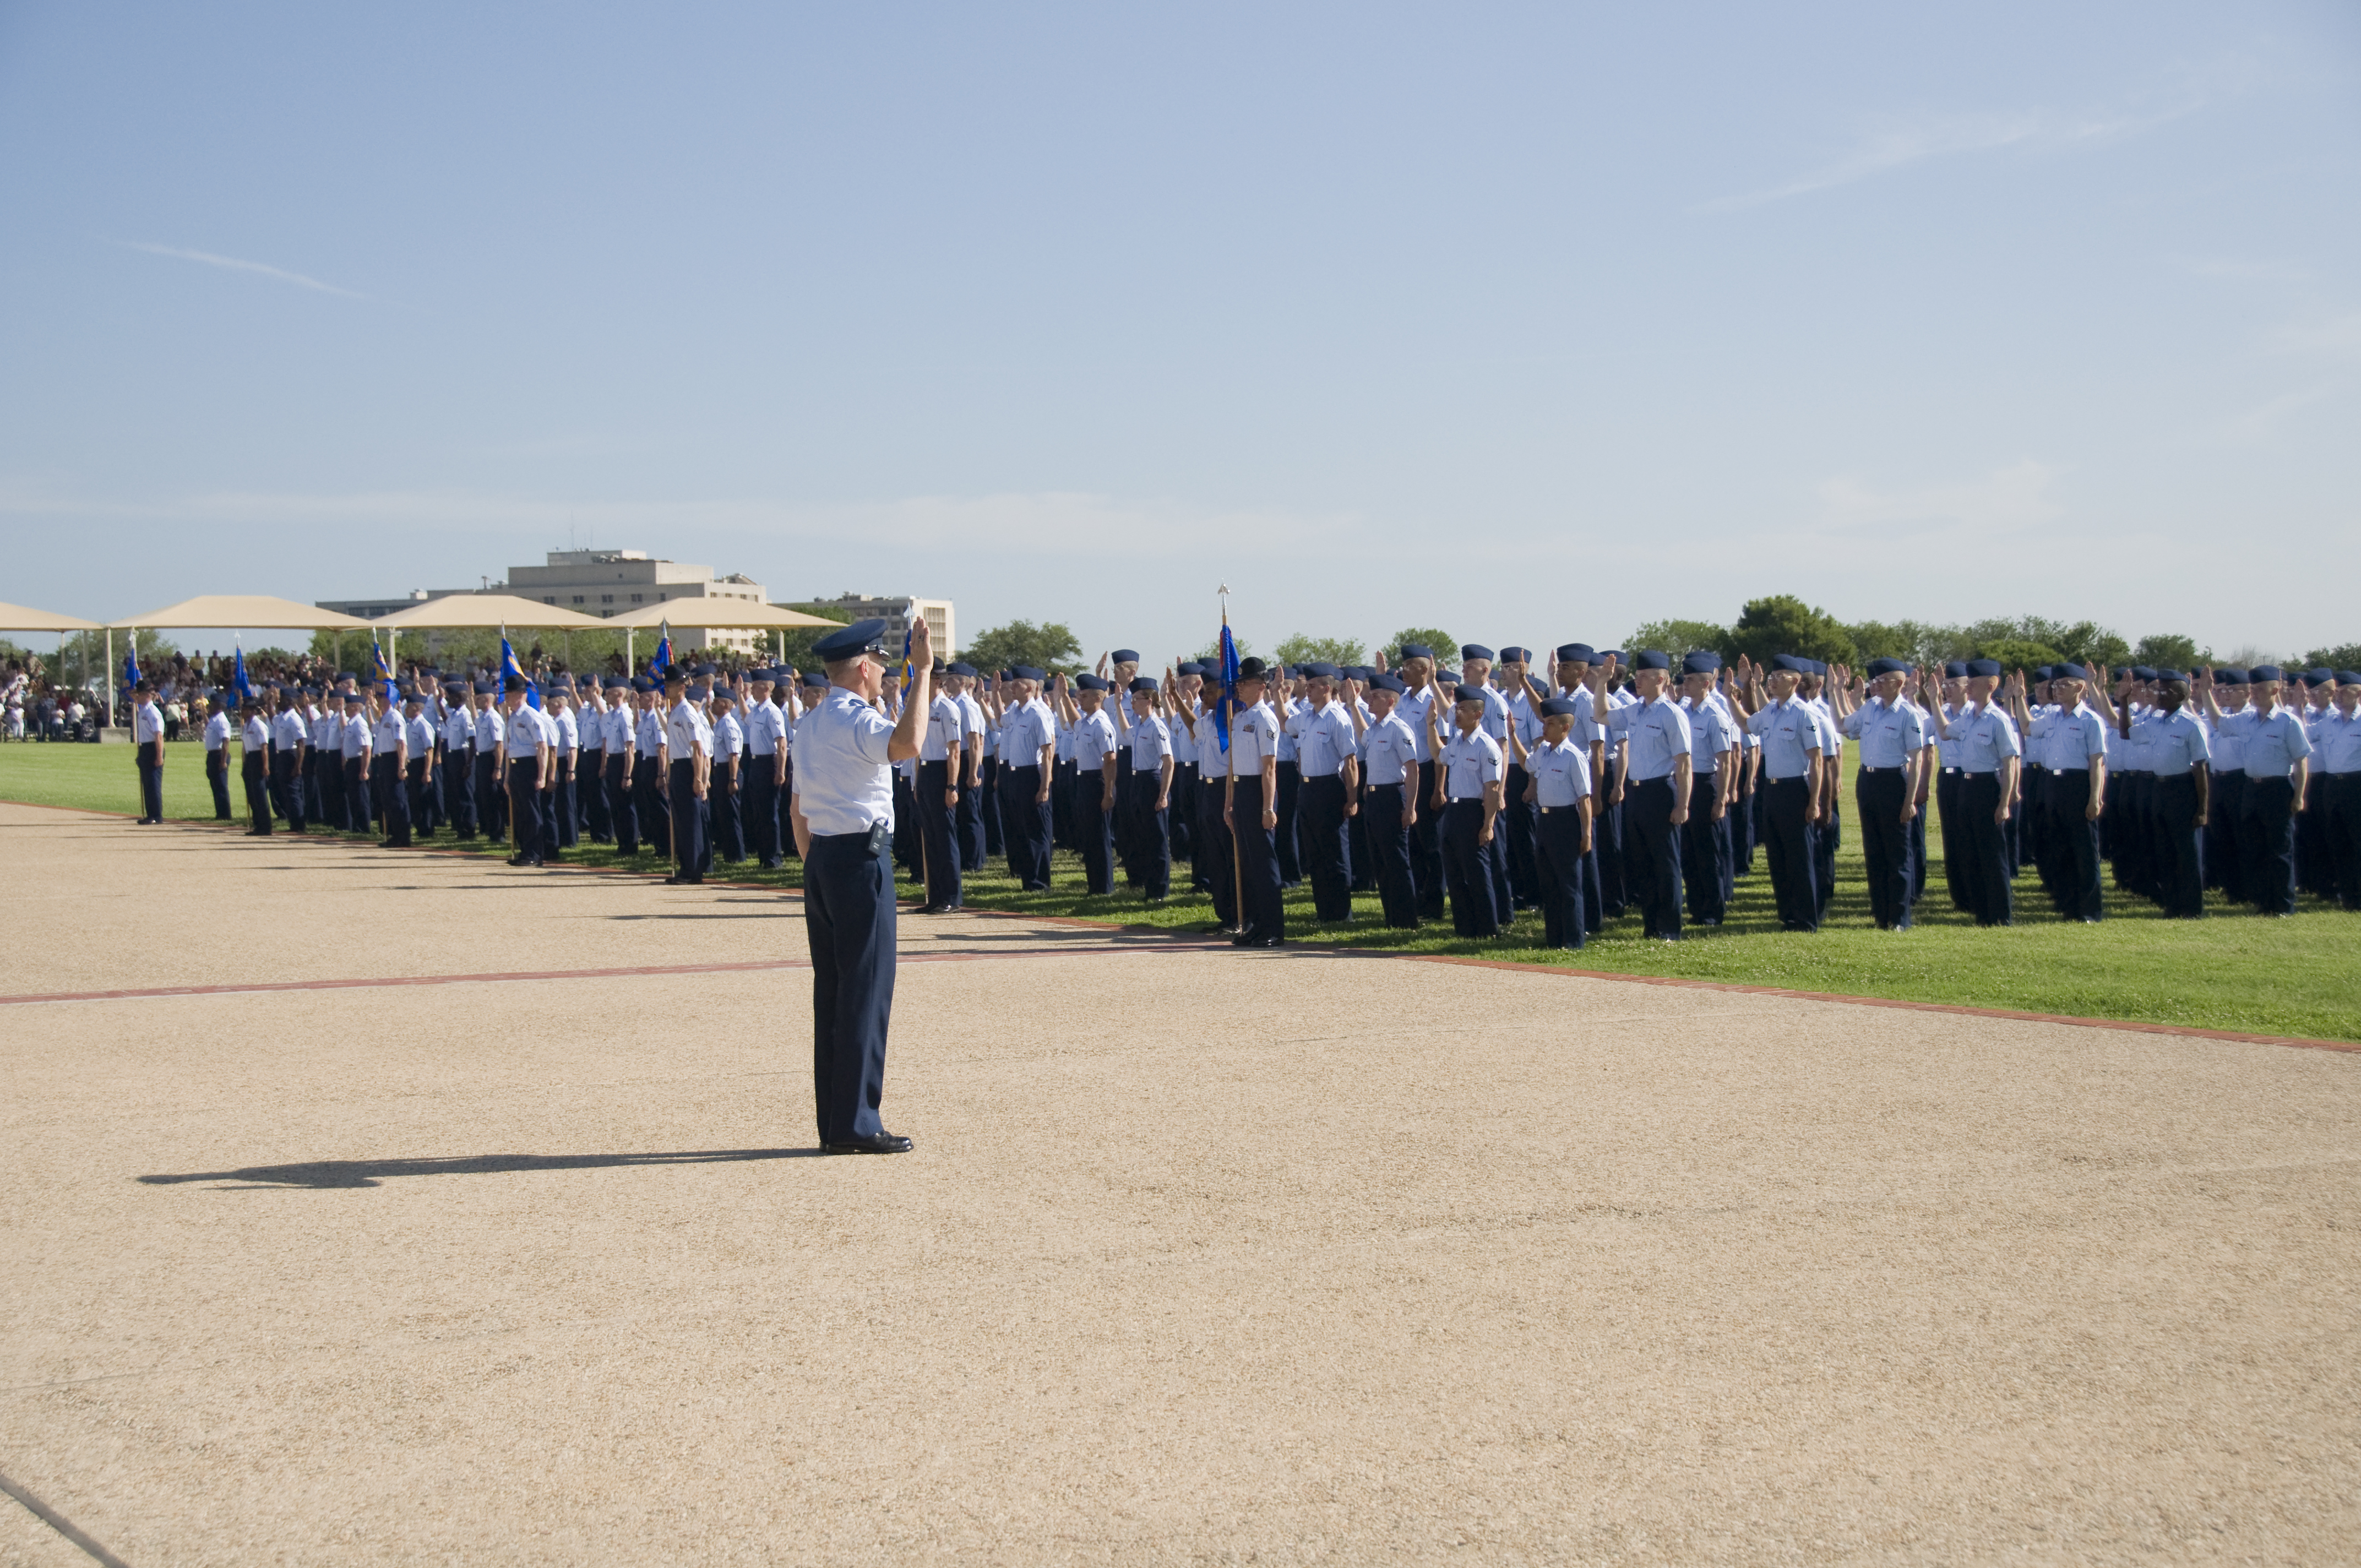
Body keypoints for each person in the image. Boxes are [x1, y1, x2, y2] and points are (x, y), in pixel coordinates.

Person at [792, 614, 935, 1155]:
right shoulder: (855, 718)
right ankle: (856, 1121)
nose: (882, 674)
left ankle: (836, 1119)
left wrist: (817, 867)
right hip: (858, 859)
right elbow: (907, 742)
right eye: (879, 664)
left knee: (832, 992)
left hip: (825, 858)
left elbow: (797, 809)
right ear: (864, 667)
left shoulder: (809, 724)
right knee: (865, 991)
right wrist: (922, 672)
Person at [1592, 652, 1691, 942]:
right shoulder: (1634, 711)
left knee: (1666, 864)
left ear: (1661, 680)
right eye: (1638, 675)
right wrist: (1601, 681)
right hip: (1635, 793)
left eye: (1645, 676)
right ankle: (1651, 925)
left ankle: (1670, 927)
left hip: (1660, 791)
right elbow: (1600, 714)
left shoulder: (1672, 714)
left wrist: (1683, 804)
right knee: (1643, 864)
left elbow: (1683, 763)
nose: (1639, 680)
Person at [2203, 665, 2310, 916]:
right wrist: (2207, 692)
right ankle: (2264, 901)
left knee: (2279, 850)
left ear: (2275, 690)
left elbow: (2301, 760)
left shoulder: (2287, 722)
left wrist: (2299, 796)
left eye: (2260, 689)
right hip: (2252, 788)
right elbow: (2218, 722)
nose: (2255, 693)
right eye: (2252, 689)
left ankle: (2283, 904)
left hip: (2278, 788)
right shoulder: (2245, 720)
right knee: (2255, 848)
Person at [1841, 658, 1931, 930]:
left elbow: (1916, 760)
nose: (1876, 685)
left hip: (1895, 782)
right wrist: (1836, 692)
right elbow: (1843, 725)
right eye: (1874, 681)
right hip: (1867, 780)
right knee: (1874, 851)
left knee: (1897, 853)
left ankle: (1899, 918)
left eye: (1882, 681)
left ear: (1899, 684)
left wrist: (1910, 801)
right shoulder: (1870, 708)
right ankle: (1881, 914)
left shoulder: (1908, 714)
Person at [2016, 663, 2109, 922]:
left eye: (2063, 685)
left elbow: (2097, 763)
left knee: (2084, 851)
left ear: (2080, 688)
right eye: (2054, 686)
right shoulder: (2052, 718)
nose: (2056, 690)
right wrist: (2018, 697)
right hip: (2052, 785)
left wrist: (2094, 798)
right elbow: (2026, 727)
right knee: (2060, 848)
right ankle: (2068, 905)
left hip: (2078, 785)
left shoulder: (2091, 721)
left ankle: (2090, 910)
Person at [1944, 659, 2022, 927]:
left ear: (1991, 686)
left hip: (1988, 787)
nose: (1968, 689)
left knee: (1992, 855)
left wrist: (2005, 803)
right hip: (1966, 786)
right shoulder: (1966, 717)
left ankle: (2000, 915)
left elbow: (2010, 762)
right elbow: (1944, 732)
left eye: (1973, 684)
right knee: (1970, 853)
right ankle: (1981, 912)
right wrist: (1932, 699)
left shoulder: (1998, 720)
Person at [1425, 680, 1504, 937]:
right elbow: (1439, 755)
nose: (1456, 714)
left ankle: (1487, 928)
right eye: (1456, 708)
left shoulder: (1487, 747)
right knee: (1455, 873)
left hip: (1474, 812)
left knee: (1477, 873)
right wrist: (1430, 727)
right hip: (1454, 812)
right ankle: (1464, 927)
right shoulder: (1458, 742)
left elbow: (1492, 790)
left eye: (1463, 710)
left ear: (1478, 715)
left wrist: (1488, 825)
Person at [1348, 671, 1421, 928]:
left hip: (1394, 796)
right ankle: (1391, 915)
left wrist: (1410, 807)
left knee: (1397, 860)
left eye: (1375, 697)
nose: (1370, 700)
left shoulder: (1399, 729)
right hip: (1376, 798)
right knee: (1380, 860)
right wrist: (1352, 705)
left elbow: (1412, 769)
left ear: (1391, 701)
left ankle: (1406, 918)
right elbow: (1363, 736)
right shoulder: (1377, 728)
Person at [1288, 663, 1359, 923]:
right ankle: (1324, 912)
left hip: (1329, 787)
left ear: (1328, 688)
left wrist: (1352, 799)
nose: (1307, 690)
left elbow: (1350, 762)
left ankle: (1341, 913)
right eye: (1307, 685)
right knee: (1315, 854)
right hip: (1307, 787)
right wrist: (1276, 693)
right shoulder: (1306, 716)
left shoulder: (1337, 718)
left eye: (1313, 686)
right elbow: (1286, 724)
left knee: (1335, 854)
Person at [1524, 695, 1595, 949]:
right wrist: (1511, 736)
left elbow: (1584, 799)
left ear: (1565, 727)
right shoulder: (1543, 752)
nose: (1544, 728)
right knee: (1549, 883)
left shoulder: (1573, 757)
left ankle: (1574, 940)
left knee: (1569, 884)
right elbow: (1526, 765)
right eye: (1544, 723)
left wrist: (1586, 834)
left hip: (1566, 820)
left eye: (1550, 724)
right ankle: (1554, 938)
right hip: (1544, 819)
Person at [1225, 657, 1286, 947]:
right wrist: (1229, 804)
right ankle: (1257, 925)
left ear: (1261, 686)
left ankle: (1273, 928)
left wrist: (1268, 807)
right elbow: (1234, 766)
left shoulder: (1265, 719)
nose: (1238, 687)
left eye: (1244, 682)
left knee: (1264, 864)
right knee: (1248, 864)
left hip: (1259, 790)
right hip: (1241, 790)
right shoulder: (1240, 718)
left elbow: (1270, 768)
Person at [914, 661, 966, 911]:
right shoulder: (921, 708)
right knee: (930, 839)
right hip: (925, 771)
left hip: (941, 772)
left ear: (938, 681)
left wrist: (952, 786)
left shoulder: (948, 709)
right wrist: (917, 783)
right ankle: (934, 896)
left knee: (945, 838)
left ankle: (951, 896)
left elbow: (954, 752)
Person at [1065, 673, 1120, 896]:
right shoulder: (1086, 722)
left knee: (1099, 836)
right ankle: (1094, 885)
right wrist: (1063, 697)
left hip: (1097, 781)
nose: (1079, 698)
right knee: (1089, 836)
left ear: (1098, 698)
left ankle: (1104, 886)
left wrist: (1108, 793)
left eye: (1084, 695)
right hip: (1083, 780)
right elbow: (1072, 722)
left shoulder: (1101, 724)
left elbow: (1110, 760)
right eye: (1078, 694)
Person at [1123, 676, 1176, 901]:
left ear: (1149, 701)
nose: (1133, 703)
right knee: (1142, 837)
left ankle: (1159, 890)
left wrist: (1163, 794)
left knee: (1157, 839)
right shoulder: (1139, 725)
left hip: (1152, 781)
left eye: (1136, 699)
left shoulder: (1157, 726)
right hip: (1137, 780)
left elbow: (1169, 761)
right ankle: (1148, 885)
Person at [2317, 672, 2361, 909]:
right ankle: (2349, 897)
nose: (2339, 696)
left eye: (2345, 691)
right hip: (2333, 786)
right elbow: (2303, 735)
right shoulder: (2328, 722)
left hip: (2357, 786)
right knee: (2338, 842)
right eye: (2337, 691)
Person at [662, 667, 709, 884]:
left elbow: (698, 748)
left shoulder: (687, 712)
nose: (666, 689)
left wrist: (698, 778)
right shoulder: (675, 711)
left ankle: (694, 870)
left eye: (670, 686)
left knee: (691, 821)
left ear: (682, 688)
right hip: (677, 766)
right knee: (680, 820)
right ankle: (685, 868)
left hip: (688, 767)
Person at [501, 684, 550, 868]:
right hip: (516, 766)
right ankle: (524, 851)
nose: (506, 698)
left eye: (510, 694)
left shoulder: (530, 715)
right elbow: (510, 747)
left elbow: (542, 746)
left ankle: (535, 853)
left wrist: (542, 775)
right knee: (520, 813)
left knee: (531, 812)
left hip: (529, 765)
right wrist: (507, 777)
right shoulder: (513, 717)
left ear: (521, 694)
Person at [270, 684, 308, 832]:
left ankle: (299, 825)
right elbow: (272, 717)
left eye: (283, 700)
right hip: (282, 755)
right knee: (286, 792)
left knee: (293, 792)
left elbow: (301, 744)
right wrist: (270, 701)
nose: (279, 702)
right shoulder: (282, 717)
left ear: (290, 701)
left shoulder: (294, 719)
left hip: (291, 756)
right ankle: (293, 823)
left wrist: (298, 766)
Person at [130, 679, 166, 823]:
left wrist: (159, 756)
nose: (136, 697)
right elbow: (132, 695)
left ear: (146, 694)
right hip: (145, 747)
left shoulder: (152, 712)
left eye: (138, 694)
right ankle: (150, 814)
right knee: (147, 783)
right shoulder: (143, 710)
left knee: (153, 783)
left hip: (153, 747)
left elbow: (158, 735)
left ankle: (156, 815)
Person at [240, 697, 273, 834]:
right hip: (250, 759)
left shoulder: (259, 726)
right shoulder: (246, 725)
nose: (242, 712)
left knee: (260, 795)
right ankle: (258, 824)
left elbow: (264, 747)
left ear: (252, 711)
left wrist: (265, 766)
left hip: (258, 758)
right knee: (252, 794)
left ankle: (266, 826)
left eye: (245, 709)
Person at [202, 694, 233, 820]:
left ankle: (225, 814)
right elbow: (209, 726)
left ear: (219, 705)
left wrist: (223, 761)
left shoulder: (222, 720)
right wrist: (203, 713)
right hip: (212, 754)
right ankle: (220, 813)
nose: (210, 706)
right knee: (215, 785)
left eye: (213, 704)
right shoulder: (215, 719)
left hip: (219, 754)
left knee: (221, 785)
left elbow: (226, 741)